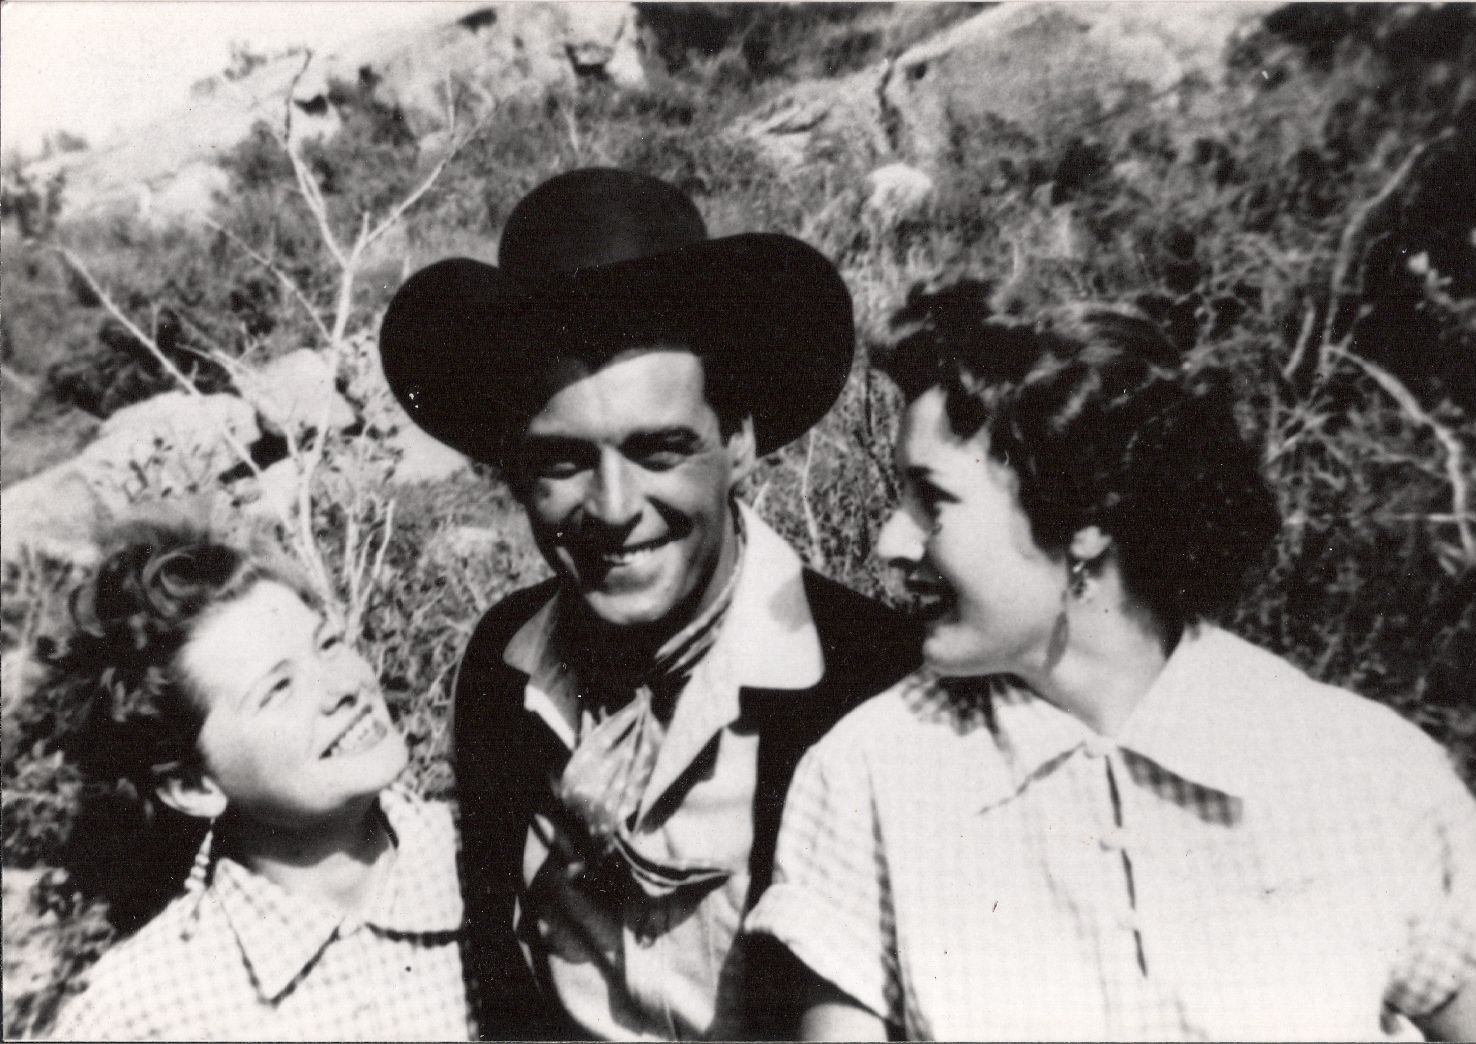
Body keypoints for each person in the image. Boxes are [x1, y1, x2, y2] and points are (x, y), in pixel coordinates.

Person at [746, 283, 1476, 1042]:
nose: (892, 544)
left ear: (1085, 521)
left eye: (933, 501)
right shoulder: (868, 775)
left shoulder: (1364, 772)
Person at [377, 167, 921, 1039]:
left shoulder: (873, 679)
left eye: (660, 449)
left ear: (737, 442)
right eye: (562, 461)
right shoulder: (502, 669)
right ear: (516, 473)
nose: (615, 508)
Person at [46, 520, 474, 1041]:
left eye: (328, 644)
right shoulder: (147, 1012)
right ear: (193, 786)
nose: (341, 687)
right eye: (278, 689)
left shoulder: (500, 859)